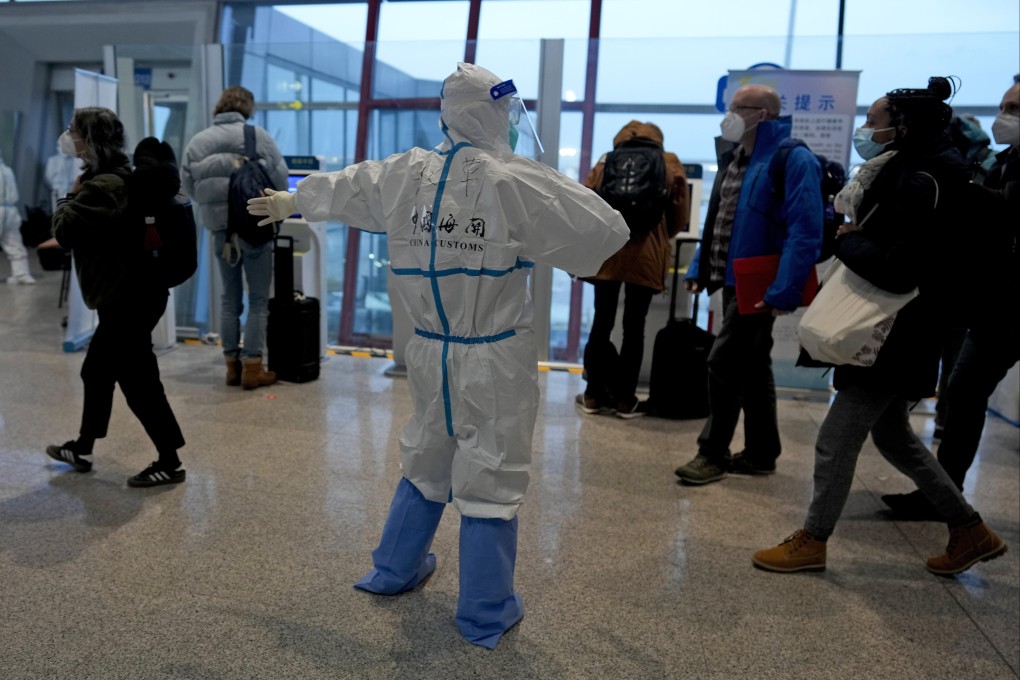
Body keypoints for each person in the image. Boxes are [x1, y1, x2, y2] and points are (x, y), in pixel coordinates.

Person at [249, 63, 629, 649]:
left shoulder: (406, 174)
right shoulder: (514, 179)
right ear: (496, 111)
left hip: (428, 349)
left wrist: (290, 200)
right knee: (492, 470)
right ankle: (484, 610)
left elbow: (347, 187)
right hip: (493, 352)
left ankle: (393, 570)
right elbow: (606, 232)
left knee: (426, 455)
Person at [752, 77, 1008, 576]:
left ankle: (814, 538)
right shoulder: (909, 170)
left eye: (874, 121)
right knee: (894, 437)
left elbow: (900, 269)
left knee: (835, 438)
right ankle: (970, 530)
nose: (866, 130)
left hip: (892, 332)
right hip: (898, 328)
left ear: (903, 126)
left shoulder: (922, 180)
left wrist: (847, 240)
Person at [882, 74, 1020, 520]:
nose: (1004, 117)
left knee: (963, 391)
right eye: (1004, 106)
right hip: (999, 306)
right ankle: (944, 494)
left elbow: (1006, 210)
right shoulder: (1005, 160)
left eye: (1015, 110)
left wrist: (964, 176)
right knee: (961, 393)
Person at [674, 84, 823, 485]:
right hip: (731, 279)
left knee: (723, 362)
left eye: (740, 107)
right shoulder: (735, 158)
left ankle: (712, 453)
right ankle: (761, 453)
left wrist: (785, 288)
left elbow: (805, 229)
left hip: (762, 284)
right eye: (730, 106)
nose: (730, 114)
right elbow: (718, 220)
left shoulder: (793, 158)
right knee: (754, 366)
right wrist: (698, 269)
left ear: (765, 114)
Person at [46, 107, 187, 487]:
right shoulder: (114, 175)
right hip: (130, 295)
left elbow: (65, 231)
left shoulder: (102, 186)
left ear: (88, 139)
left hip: (129, 299)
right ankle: (83, 446)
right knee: (97, 371)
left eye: (73, 130)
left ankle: (170, 462)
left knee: (138, 381)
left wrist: (67, 198)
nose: (68, 136)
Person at [576, 121, 689, 419]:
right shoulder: (670, 163)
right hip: (647, 253)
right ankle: (625, 400)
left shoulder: (606, 160)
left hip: (608, 250)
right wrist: (661, 235)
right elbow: (679, 213)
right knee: (634, 327)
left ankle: (593, 395)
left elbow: (587, 200)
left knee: (602, 323)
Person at [181, 86, 288, 389]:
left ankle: (231, 365)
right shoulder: (258, 137)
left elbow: (188, 186)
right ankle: (252, 367)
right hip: (255, 227)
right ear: (247, 108)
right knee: (257, 301)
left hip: (219, 232)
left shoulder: (197, 142)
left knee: (229, 300)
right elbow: (281, 179)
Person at [1, 150, 36, 285]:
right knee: (14, 243)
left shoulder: (7, 171)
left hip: (6, 209)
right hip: (10, 210)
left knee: (14, 242)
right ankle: (22, 274)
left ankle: (21, 274)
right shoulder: (7, 170)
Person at [45, 134, 84, 213]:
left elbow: (81, 176)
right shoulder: (52, 161)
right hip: (58, 189)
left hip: (73, 191)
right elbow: (48, 178)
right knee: (58, 213)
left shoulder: (78, 161)